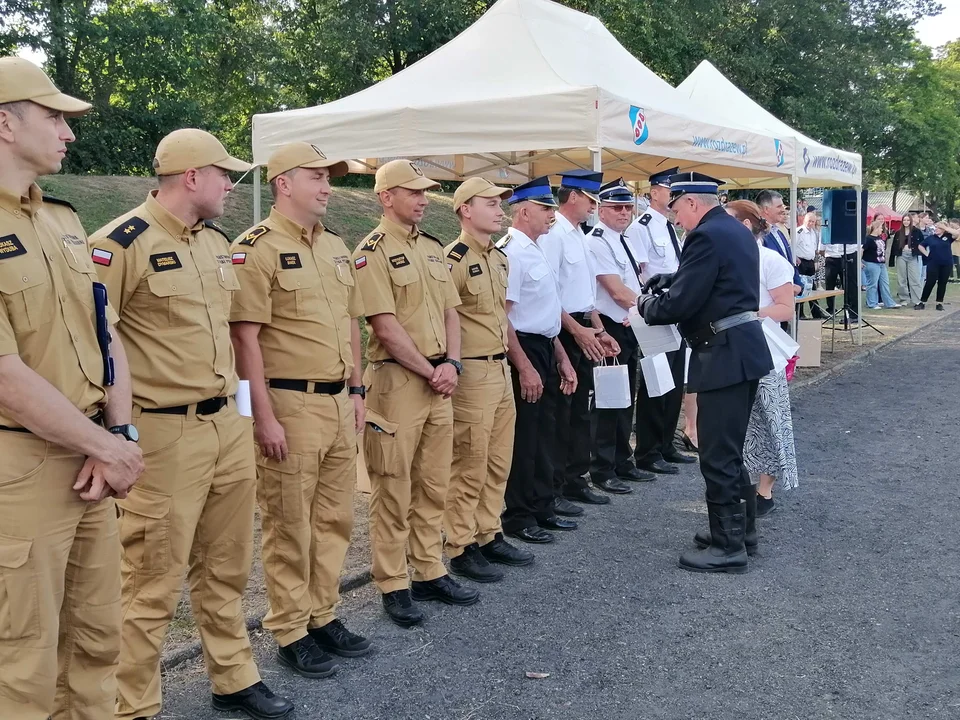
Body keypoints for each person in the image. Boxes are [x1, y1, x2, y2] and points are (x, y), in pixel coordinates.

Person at [90, 129, 293, 720]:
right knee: (151, 581)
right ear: (192, 177)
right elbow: (95, 345)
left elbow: (228, 343)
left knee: (227, 565)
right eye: (224, 175)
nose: (231, 186)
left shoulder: (214, 244)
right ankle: (132, 705)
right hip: (162, 435)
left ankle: (233, 677)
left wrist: (248, 418)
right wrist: (110, 435)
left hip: (225, 424)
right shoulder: (117, 245)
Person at [0, 56, 145, 720]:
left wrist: (116, 435)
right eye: (55, 117)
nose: (69, 133)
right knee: (22, 665)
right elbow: (5, 377)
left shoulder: (61, 221)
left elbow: (105, 335)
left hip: (91, 457)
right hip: (21, 470)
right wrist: (106, 447)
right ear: (6, 123)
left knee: (96, 641)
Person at [228, 143, 372, 680]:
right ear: (283, 183)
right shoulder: (256, 249)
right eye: (317, 177)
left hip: (338, 401)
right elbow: (245, 341)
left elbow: (351, 324)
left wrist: (357, 390)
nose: (327, 186)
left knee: (334, 518)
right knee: (290, 520)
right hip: (288, 402)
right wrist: (261, 417)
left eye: (328, 177)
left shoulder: (335, 244)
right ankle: (289, 628)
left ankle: (323, 613)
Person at [350, 159, 476, 627]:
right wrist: (431, 369)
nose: (424, 199)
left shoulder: (432, 247)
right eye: (414, 192)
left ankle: (428, 569)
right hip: (398, 381)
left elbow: (451, 312)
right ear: (386, 197)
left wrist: (453, 364)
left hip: (440, 379)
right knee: (393, 485)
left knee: (433, 481)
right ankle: (392, 582)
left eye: (426, 193)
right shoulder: (371, 252)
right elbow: (382, 323)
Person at [637, 172, 773, 574]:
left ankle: (728, 547)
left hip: (723, 354)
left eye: (677, 209)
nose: (677, 219)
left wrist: (647, 306)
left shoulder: (706, 235)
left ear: (693, 203)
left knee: (716, 454)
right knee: (728, 450)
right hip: (739, 351)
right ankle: (740, 532)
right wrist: (673, 279)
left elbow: (682, 303)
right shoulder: (732, 229)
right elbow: (714, 281)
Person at [442, 177, 535, 582]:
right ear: (465, 209)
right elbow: (446, 320)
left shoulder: (499, 258)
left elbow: (501, 317)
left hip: (499, 367)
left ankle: (488, 531)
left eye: (501, 204)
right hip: (473, 370)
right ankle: (460, 545)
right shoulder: (453, 259)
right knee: (470, 460)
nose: (500, 210)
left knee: (498, 459)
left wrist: (521, 363)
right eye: (491, 204)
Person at [498, 176, 579, 543]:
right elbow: (504, 318)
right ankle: (518, 515)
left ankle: (542, 505)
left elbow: (548, 313)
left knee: (546, 431)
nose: (552, 215)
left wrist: (561, 356)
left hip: (544, 344)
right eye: (546, 209)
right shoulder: (511, 251)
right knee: (526, 436)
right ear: (525, 210)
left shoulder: (537, 248)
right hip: (523, 349)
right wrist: (525, 366)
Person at [539, 170, 618, 507]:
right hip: (565, 332)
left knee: (580, 410)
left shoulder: (578, 235)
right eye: (590, 200)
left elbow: (584, 294)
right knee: (560, 413)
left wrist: (598, 329)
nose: (592, 207)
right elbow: (549, 296)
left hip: (584, 326)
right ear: (573, 197)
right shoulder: (554, 234)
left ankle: (575, 477)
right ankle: (556, 486)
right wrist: (577, 331)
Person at [721, 201, 799, 520]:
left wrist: (751, 314)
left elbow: (786, 308)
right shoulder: (726, 259)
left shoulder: (770, 260)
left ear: (745, 225)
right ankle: (743, 482)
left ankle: (764, 490)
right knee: (737, 420)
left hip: (765, 348)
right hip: (731, 349)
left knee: (769, 418)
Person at [624, 167, 695, 474]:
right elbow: (640, 273)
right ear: (654, 192)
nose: (673, 196)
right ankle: (649, 449)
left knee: (674, 380)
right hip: (654, 311)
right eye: (669, 190)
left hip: (674, 310)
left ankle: (666, 443)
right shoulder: (641, 226)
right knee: (656, 382)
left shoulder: (668, 225)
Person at [589, 179, 657, 493]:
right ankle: (602, 468)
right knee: (608, 401)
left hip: (629, 324)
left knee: (624, 398)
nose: (624, 212)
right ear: (601, 210)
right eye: (617, 207)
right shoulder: (598, 241)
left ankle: (621, 459)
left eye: (628, 206)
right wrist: (650, 308)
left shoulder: (621, 238)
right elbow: (616, 291)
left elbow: (634, 282)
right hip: (610, 326)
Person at [756, 190, 803, 289]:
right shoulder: (758, 235)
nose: (783, 209)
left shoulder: (779, 232)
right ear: (766, 209)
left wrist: (798, 285)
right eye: (779, 206)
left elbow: (789, 262)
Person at [916, 222, 958, 311]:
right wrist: (926, 254)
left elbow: (957, 233)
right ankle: (922, 302)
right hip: (933, 263)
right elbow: (920, 246)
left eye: (938, 228)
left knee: (942, 283)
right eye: (936, 228)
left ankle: (939, 303)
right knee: (930, 282)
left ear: (943, 229)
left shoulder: (949, 237)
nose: (936, 229)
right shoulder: (931, 238)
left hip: (946, 263)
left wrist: (945, 227)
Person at [862, 218, 900, 310]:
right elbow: (861, 250)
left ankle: (889, 303)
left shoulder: (879, 238)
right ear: (875, 228)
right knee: (873, 284)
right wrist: (860, 262)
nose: (882, 230)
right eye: (880, 228)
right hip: (871, 263)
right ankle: (872, 303)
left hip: (881, 264)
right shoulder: (868, 239)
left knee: (885, 283)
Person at [795, 211, 825, 319]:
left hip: (810, 262)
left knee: (811, 288)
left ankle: (816, 312)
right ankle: (800, 313)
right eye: (809, 221)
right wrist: (795, 258)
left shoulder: (814, 233)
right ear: (804, 220)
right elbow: (791, 246)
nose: (811, 223)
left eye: (813, 221)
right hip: (801, 262)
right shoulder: (799, 231)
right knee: (801, 288)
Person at [890, 214, 923, 305]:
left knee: (915, 279)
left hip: (912, 256)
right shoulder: (898, 232)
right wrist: (892, 260)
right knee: (902, 279)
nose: (906, 222)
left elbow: (922, 244)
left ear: (911, 221)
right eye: (904, 220)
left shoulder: (917, 231)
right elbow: (894, 247)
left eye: (908, 220)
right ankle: (904, 299)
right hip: (901, 256)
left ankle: (917, 299)